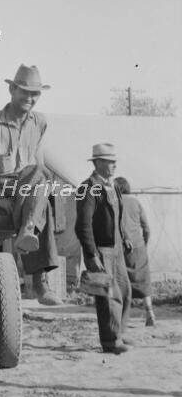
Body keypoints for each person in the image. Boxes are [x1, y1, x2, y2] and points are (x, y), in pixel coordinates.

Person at [0, 64, 62, 306]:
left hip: (29, 187)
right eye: (24, 91)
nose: (29, 98)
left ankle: (28, 232)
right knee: (39, 182)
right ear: (12, 90)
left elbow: (39, 162)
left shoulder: (40, 123)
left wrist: (37, 182)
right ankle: (38, 279)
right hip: (0, 188)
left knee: (40, 178)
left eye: (35, 94)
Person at [75, 144, 133, 354]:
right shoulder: (87, 188)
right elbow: (83, 225)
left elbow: (118, 217)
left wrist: (125, 237)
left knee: (125, 292)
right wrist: (91, 254)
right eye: (110, 162)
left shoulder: (114, 186)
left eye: (115, 162)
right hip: (101, 251)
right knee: (108, 297)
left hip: (116, 249)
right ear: (98, 163)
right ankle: (110, 342)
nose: (114, 165)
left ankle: (120, 333)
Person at [115, 176, 155, 326]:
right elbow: (146, 228)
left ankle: (121, 317)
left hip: (120, 247)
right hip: (138, 247)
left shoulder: (114, 203)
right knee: (144, 281)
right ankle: (149, 312)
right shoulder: (136, 202)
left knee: (121, 283)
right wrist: (144, 243)